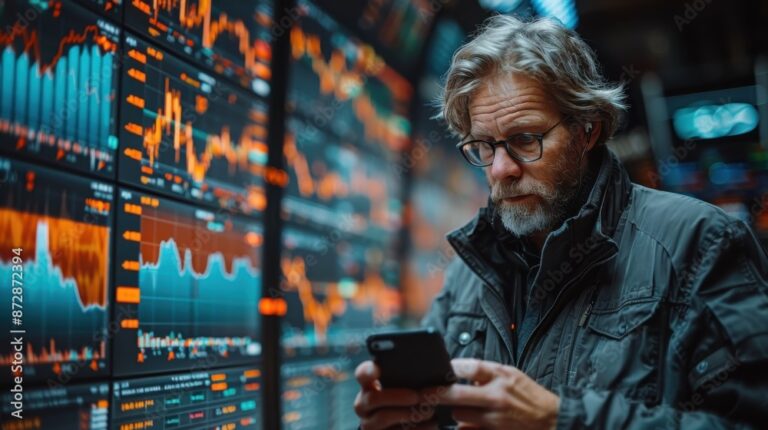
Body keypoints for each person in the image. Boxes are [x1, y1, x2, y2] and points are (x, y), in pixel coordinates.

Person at [353, 14, 768, 430]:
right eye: (482, 146)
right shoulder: (466, 276)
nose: (500, 169)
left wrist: (559, 420)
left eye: (525, 140)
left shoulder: (698, 241)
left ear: (588, 130)